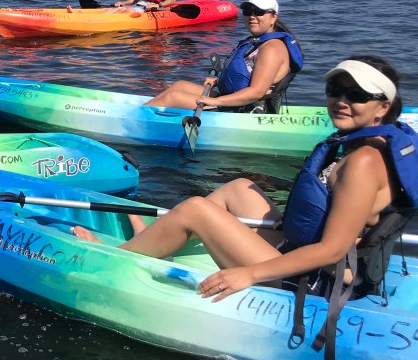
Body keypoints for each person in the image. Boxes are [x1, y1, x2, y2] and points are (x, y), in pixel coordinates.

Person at [74, 55, 418, 308]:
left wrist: (249, 275)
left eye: (357, 95)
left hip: (319, 281)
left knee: (195, 209)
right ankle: (156, 240)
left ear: (382, 107)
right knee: (239, 187)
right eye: (335, 88)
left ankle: (117, 255)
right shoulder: (368, 143)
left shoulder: (364, 161)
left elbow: (332, 249)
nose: (341, 101)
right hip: (310, 255)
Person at [144, 0, 303, 112]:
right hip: (234, 101)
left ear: (274, 17)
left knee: (173, 97)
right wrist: (218, 80)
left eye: (259, 12)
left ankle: (131, 120)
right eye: (248, 11)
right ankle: (144, 110)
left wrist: (215, 102)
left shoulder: (272, 48)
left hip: (247, 111)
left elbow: (256, 93)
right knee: (180, 85)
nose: (252, 16)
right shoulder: (260, 42)